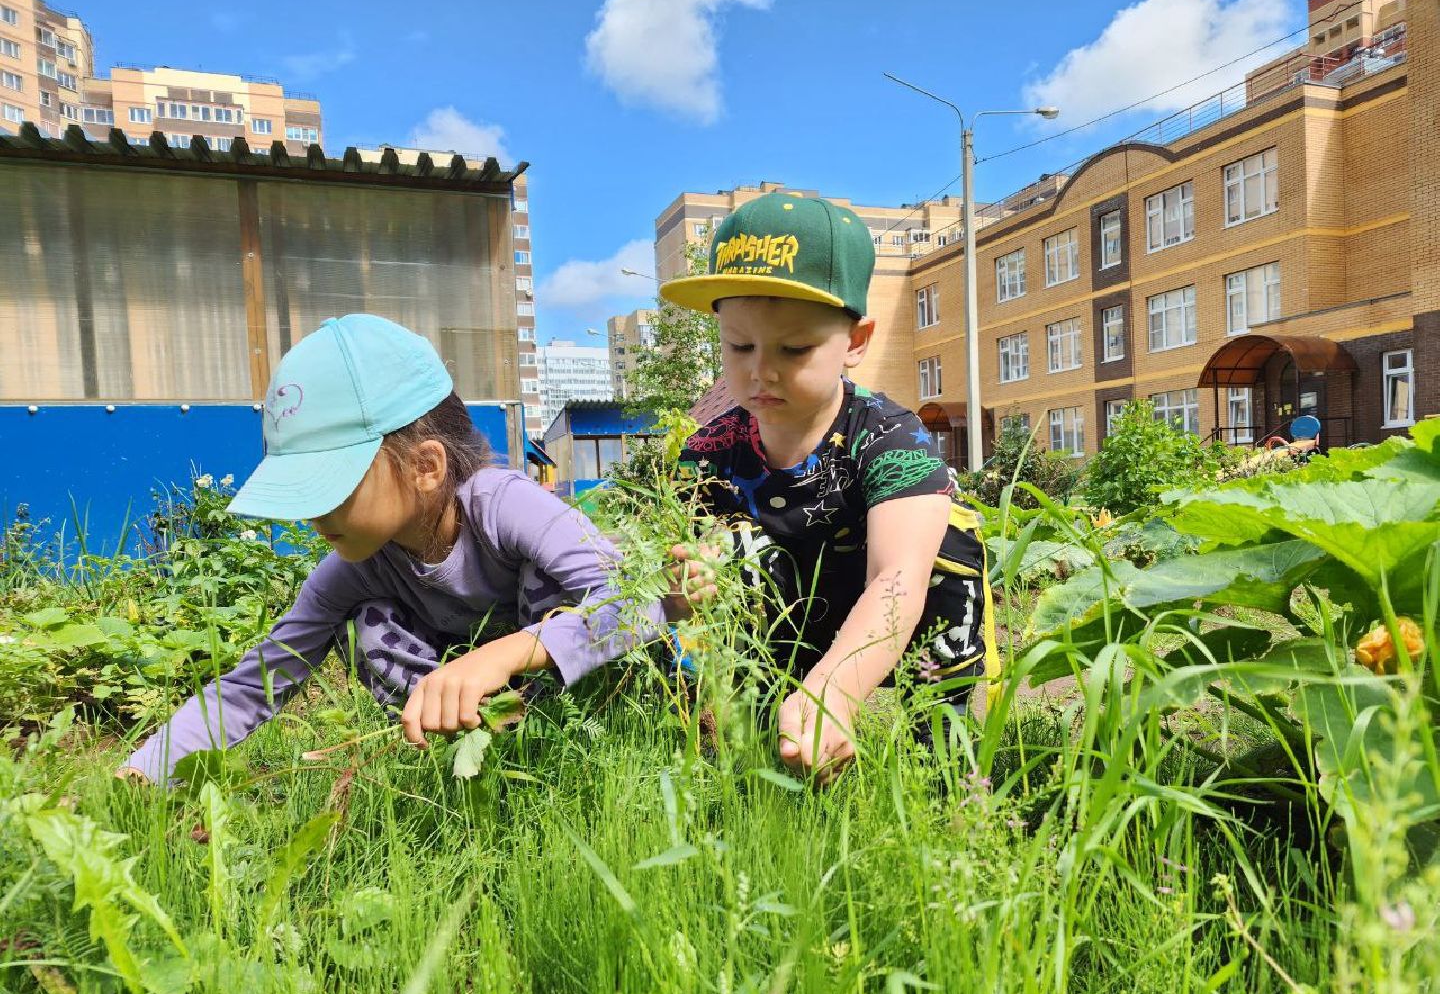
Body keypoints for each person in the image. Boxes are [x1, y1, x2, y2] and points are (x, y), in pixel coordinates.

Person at [120, 314, 660, 784]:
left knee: (551, 583)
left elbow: (641, 601)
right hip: (477, 711)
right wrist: (143, 772)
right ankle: (468, 758)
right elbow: (252, 685)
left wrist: (507, 652)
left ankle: (554, 750)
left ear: (426, 466)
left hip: (571, 692)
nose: (313, 514)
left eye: (331, 485)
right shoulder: (356, 569)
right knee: (367, 622)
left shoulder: (505, 506)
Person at [660, 193, 998, 784]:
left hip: (902, 607)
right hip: (795, 609)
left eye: (793, 349)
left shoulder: (891, 436)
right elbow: (686, 602)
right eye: (739, 346)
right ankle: (773, 747)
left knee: (945, 558)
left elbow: (898, 580)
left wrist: (834, 692)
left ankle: (948, 770)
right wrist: (690, 587)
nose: (761, 369)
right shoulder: (708, 450)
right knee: (734, 559)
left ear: (857, 341)